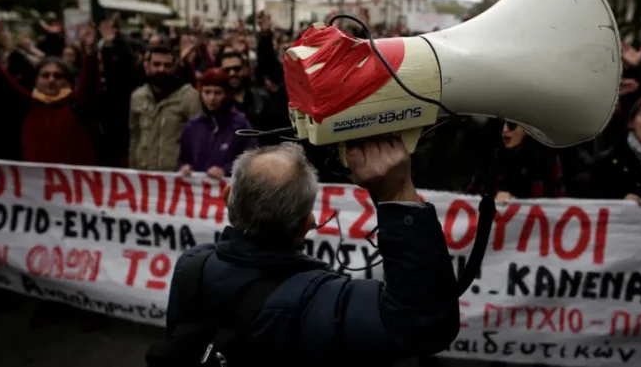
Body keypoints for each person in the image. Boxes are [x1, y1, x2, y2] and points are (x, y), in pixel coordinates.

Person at [164, 139, 459, 365]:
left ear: (227, 197)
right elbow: (423, 324)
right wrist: (397, 195)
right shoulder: (318, 301)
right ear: (308, 224)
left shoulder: (191, 266)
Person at [0, 22, 101, 165]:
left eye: (58, 76)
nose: (51, 80)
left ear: (68, 81)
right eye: (45, 75)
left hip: (72, 184)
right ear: (36, 80)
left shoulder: (76, 106)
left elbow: (89, 84)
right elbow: (0, 78)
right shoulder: (27, 105)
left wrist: (90, 53)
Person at [129, 45, 202, 171]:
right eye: (156, 64)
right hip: (143, 174)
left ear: (175, 67)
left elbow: (199, 139)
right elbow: (135, 137)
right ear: (148, 67)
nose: (161, 69)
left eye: (167, 65)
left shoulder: (189, 97)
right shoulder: (138, 97)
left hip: (175, 178)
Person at [178, 68, 259, 179]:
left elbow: (252, 161)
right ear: (200, 93)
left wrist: (226, 170)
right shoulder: (193, 126)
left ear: (226, 94)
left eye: (217, 93)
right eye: (207, 92)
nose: (211, 98)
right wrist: (184, 167)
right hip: (200, 192)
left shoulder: (240, 124)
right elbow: (184, 158)